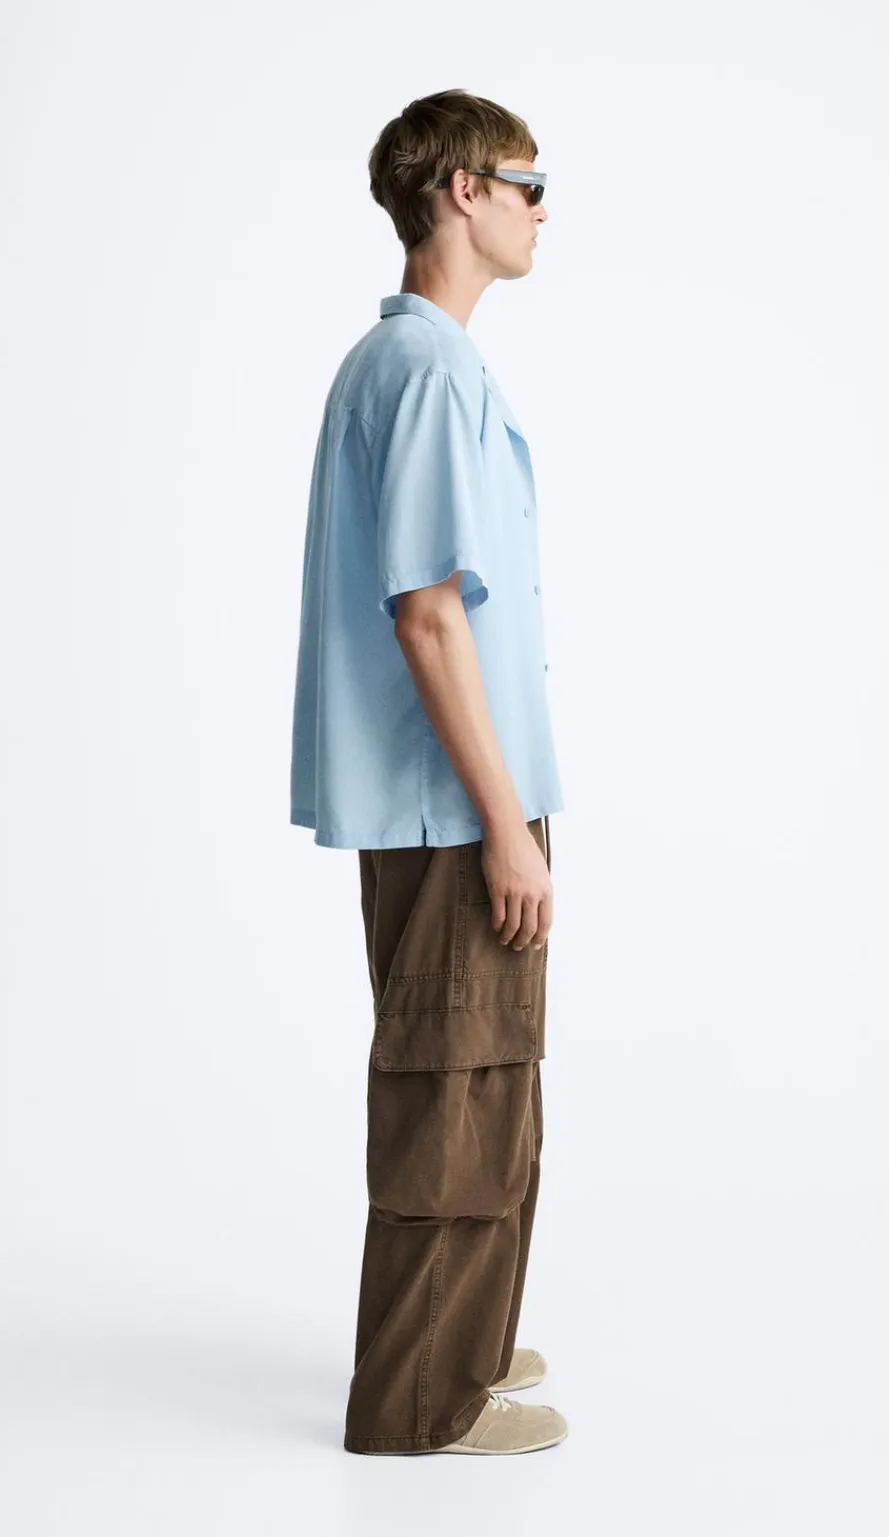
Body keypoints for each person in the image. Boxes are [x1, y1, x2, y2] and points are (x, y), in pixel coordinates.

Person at [289, 89, 567, 1455]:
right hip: (455, 804)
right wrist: (506, 825)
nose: (542, 211)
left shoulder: (409, 362)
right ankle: (418, 1405)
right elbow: (429, 614)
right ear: (461, 187)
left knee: (488, 1074)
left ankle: (466, 1348)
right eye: (529, 183)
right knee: (453, 1082)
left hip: (459, 799)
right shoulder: (427, 372)